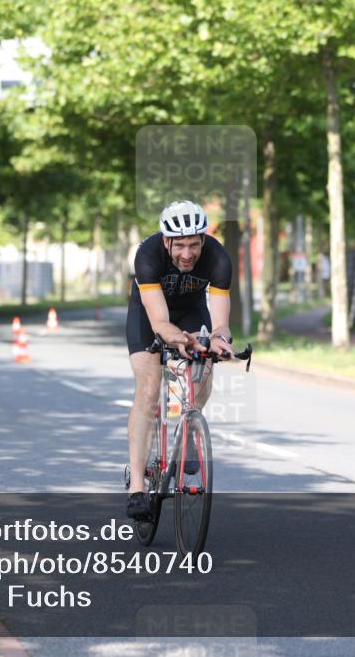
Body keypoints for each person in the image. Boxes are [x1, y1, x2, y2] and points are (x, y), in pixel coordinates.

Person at [125, 200, 234, 519]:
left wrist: (220, 341)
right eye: (180, 245)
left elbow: (221, 323)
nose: (187, 253)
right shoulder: (147, 255)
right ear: (166, 241)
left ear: (203, 240)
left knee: (207, 357)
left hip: (190, 309)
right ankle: (136, 488)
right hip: (149, 315)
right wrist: (180, 340)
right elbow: (159, 323)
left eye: (194, 245)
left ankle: (190, 424)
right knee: (148, 387)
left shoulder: (218, 258)